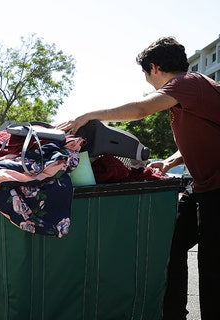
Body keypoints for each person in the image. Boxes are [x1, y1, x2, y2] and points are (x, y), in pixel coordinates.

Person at [57, 36, 220, 320]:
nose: (149, 82)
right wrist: (169, 161)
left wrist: (87, 116)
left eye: (146, 75)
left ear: (153, 68)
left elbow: (141, 110)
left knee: (212, 267)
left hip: (218, 190)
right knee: (171, 241)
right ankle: (171, 314)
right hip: (203, 186)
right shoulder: (192, 90)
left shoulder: (186, 84)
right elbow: (206, 135)